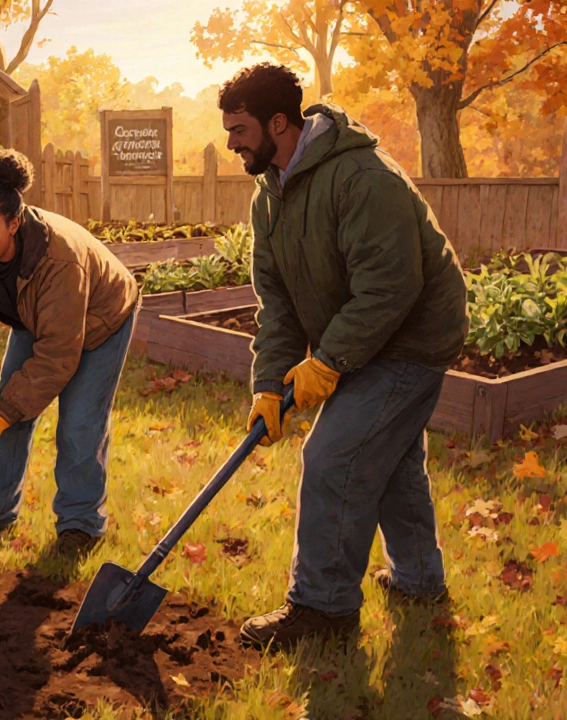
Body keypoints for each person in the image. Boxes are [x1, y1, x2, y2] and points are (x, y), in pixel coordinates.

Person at [219, 64, 469, 650]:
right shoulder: (270, 195)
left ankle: (323, 610)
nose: (230, 142)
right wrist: (267, 385)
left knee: (336, 457)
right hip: (364, 335)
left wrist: (329, 361)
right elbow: (276, 303)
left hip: (412, 336)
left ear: (278, 123)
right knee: (392, 461)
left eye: (239, 129)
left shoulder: (362, 176)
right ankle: (418, 580)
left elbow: (389, 287)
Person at [0, 149, 139, 556]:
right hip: (36, 317)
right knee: (6, 409)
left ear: (14, 223)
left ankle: (80, 525)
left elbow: (58, 356)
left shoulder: (59, 259)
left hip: (101, 317)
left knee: (79, 423)